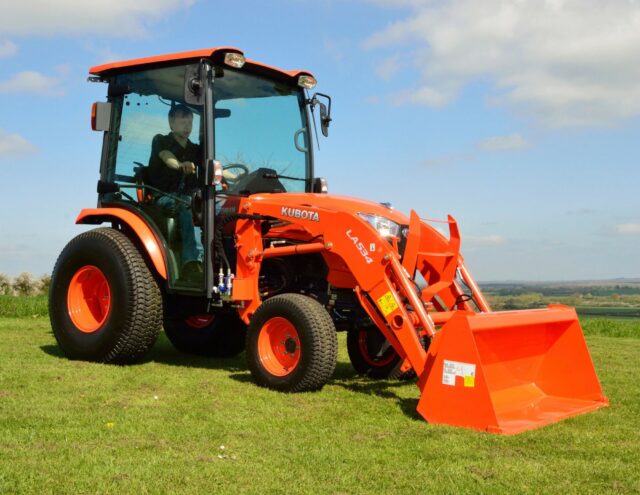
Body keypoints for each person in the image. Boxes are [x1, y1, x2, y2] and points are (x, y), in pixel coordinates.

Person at [148, 104, 203, 279]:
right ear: (171, 123)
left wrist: (234, 176)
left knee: (222, 208)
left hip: (190, 197)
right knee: (190, 207)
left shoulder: (196, 149)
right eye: (183, 122)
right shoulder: (161, 141)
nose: (188, 126)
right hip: (164, 197)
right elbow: (167, 157)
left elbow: (212, 164)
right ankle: (192, 263)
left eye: (190, 122)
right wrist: (180, 165)